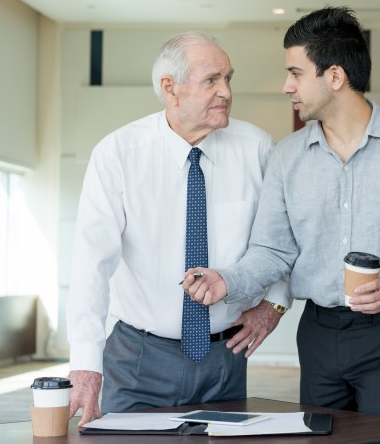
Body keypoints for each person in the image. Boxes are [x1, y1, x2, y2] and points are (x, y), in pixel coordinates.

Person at [183, 7, 380, 420]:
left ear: (335, 77)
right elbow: (272, 251)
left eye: (296, 72)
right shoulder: (287, 158)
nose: (287, 86)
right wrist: (227, 279)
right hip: (318, 333)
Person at [66, 31, 290, 426]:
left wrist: (273, 305)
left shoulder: (256, 148)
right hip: (138, 360)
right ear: (170, 88)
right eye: (211, 80)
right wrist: (86, 362)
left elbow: (281, 240)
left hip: (226, 359)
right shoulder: (118, 154)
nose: (226, 92)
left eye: (228, 79)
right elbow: (91, 264)